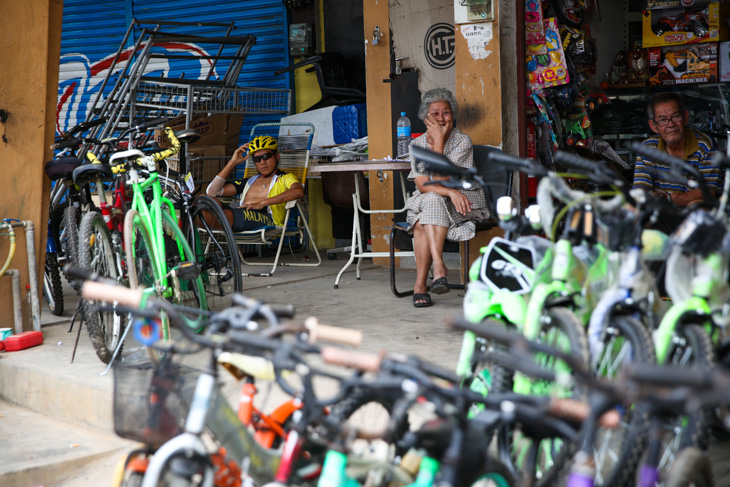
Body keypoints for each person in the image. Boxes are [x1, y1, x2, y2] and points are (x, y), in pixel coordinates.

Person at [405, 88, 488, 308]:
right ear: (426, 118)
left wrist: (439, 142)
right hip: (442, 197)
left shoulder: (462, 141)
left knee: (424, 217)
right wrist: (449, 191)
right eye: (435, 113)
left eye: (446, 113)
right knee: (431, 200)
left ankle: (420, 286)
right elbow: (423, 185)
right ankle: (439, 266)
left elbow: (442, 179)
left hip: (464, 201)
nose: (442, 118)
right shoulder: (418, 145)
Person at [632, 92, 721, 233]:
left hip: (692, 211)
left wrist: (667, 197)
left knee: (697, 205)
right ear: (653, 126)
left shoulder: (704, 145)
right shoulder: (647, 148)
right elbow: (641, 188)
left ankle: (689, 253)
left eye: (675, 117)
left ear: (685, 117)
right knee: (635, 212)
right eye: (662, 120)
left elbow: (708, 192)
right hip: (661, 212)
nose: (670, 124)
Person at [206, 135, 304, 232]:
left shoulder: (285, 178)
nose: (262, 162)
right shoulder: (249, 181)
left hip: (268, 220)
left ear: (277, 157)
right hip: (239, 215)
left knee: (229, 215)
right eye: (257, 159)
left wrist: (262, 203)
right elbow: (212, 192)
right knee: (205, 201)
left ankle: (203, 223)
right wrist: (232, 162)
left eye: (266, 156)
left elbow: (298, 191)